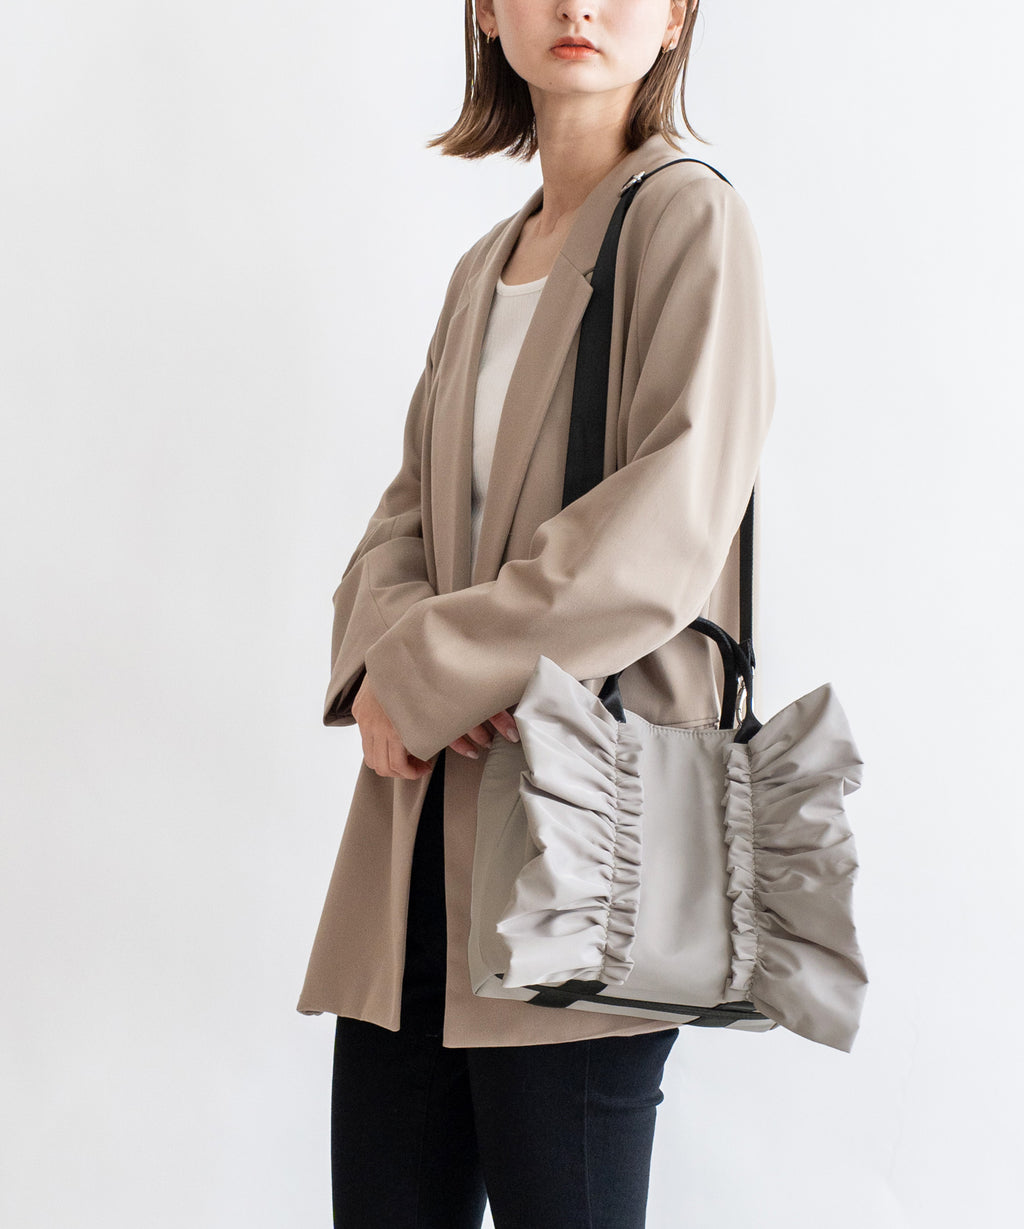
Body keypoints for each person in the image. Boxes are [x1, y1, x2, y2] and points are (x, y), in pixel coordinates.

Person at [298, 2, 776, 1224]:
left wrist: (434, 673)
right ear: (483, 11)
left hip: (584, 840)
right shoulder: (485, 267)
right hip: (418, 840)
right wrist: (392, 666)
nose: (578, 7)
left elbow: (666, 525)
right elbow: (406, 514)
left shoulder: (687, 217)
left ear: (674, 20)